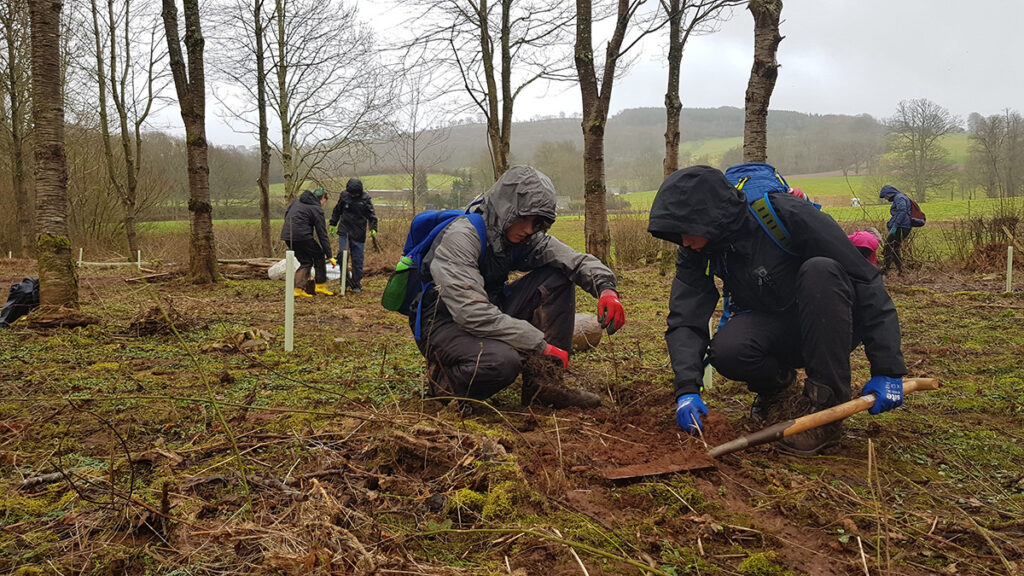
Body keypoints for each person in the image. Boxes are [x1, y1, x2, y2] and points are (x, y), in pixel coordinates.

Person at [647, 166, 907, 456]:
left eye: (685, 230)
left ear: (706, 217)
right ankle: (778, 391)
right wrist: (686, 391)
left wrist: (887, 369)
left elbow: (865, 279)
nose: (682, 241)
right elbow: (685, 315)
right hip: (779, 326)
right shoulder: (699, 248)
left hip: (832, 321)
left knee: (820, 270)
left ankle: (826, 407)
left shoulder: (787, 213)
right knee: (728, 350)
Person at [414, 165, 625, 411]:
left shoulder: (525, 238)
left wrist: (606, 288)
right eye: (523, 217)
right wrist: (538, 344)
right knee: (502, 362)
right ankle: (443, 384)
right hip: (443, 323)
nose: (528, 228)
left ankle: (544, 387)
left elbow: (575, 260)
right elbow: (470, 312)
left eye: (537, 222)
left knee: (557, 275)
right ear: (506, 208)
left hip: (489, 308)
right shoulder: (461, 237)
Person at [281, 188, 334, 297]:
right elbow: (322, 233)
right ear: (323, 198)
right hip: (302, 235)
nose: (324, 204)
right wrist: (329, 255)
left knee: (305, 262)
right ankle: (320, 286)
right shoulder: (316, 208)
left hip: (288, 235)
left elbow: (287, 214)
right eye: (325, 201)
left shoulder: (297, 201)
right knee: (319, 255)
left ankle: (298, 289)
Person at [329, 178, 378, 293]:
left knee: (357, 259)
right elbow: (337, 210)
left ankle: (356, 283)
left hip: (359, 232)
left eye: (355, 193)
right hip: (344, 230)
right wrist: (333, 223)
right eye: (352, 193)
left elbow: (372, 215)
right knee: (342, 254)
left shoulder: (365, 199)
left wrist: (374, 228)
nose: (353, 195)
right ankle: (344, 280)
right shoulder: (344, 196)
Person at [879, 185, 912, 275]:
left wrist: (895, 226)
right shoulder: (900, 197)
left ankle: (886, 270)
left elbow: (902, 211)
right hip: (902, 226)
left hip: (900, 227)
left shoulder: (899, 198)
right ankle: (901, 271)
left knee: (888, 247)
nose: (885, 198)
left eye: (885, 196)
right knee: (895, 248)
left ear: (889, 193)